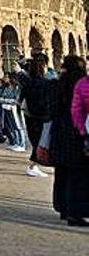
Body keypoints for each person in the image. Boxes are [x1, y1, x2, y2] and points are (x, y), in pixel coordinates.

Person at [53, 56, 89, 226]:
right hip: (77, 131)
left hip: (61, 130)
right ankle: (75, 213)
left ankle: (63, 208)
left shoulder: (58, 83)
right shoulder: (81, 84)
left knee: (63, 171)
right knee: (79, 174)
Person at [18, 54, 55, 177]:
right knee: (41, 141)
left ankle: (37, 165)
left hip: (30, 115)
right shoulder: (45, 82)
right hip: (42, 116)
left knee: (37, 141)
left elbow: (20, 99)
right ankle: (33, 166)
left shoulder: (28, 82)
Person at [0, 75, 26, 152]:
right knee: (13, 126)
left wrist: (5, 100)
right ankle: (17, 142)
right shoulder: (6, 87)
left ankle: (22, 144)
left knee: (18, 127)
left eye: (6, 77)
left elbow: (16, 100)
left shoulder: (17, 88)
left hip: (15, 109)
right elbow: (3, 96)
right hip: (7, 108)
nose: (4, 79)